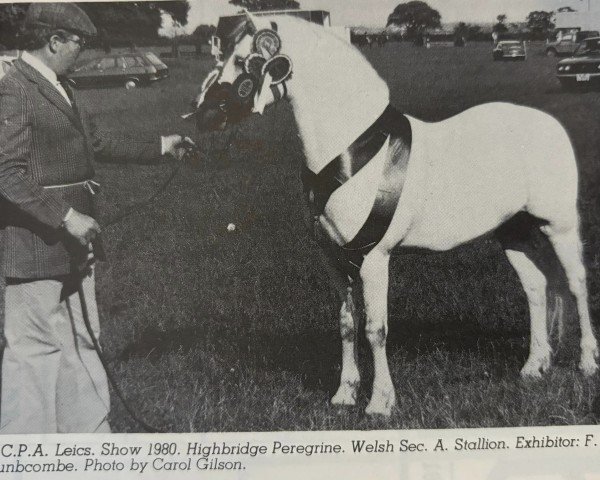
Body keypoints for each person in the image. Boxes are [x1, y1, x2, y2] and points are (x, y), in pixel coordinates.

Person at [0, 2, 193, 433]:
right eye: (78, 43)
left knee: (83, 341)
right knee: (34, 352)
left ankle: (89, 439)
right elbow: (4, 174)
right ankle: (26, 454)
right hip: (35, 246)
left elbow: (97, 143)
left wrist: (162, 146)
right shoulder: (15, 88)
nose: (83, 52)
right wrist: (65, 216)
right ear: (54, 41)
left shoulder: (62, 85)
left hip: (76, 243)